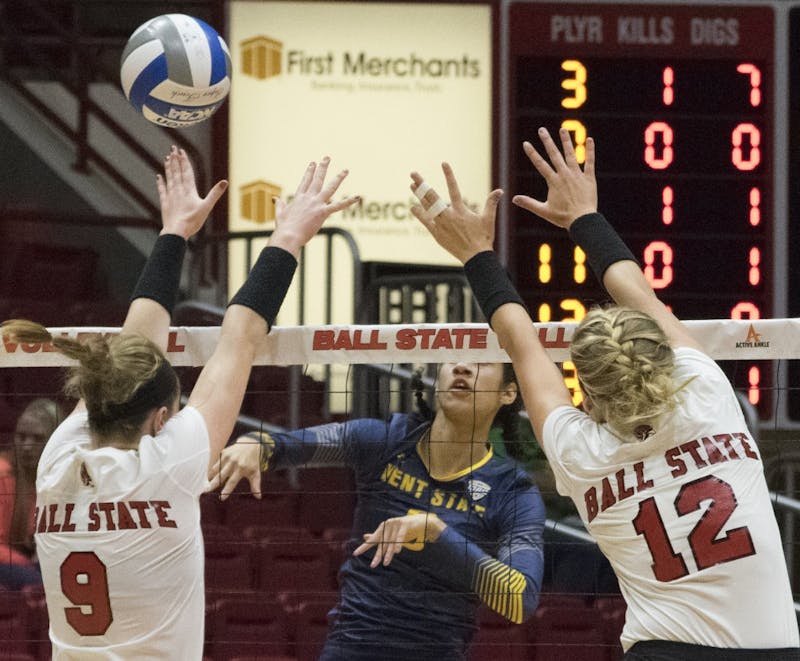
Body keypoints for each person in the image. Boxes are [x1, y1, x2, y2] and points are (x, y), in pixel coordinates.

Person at [410, 127, 800, 660]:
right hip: (774, 650)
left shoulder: (582, 454)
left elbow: (520, 340)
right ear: (660, 356)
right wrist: (583, 217)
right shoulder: (706, 393)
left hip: (663, 650)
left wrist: (476, 252)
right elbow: (637, 290)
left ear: (587, 392)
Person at [0, 148, 357, 658]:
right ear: (161, 418)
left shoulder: (60, 456)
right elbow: (240, 338)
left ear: (95, 398)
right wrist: (285, 237)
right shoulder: (169, 462)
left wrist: (182, 233)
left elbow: (153, 341)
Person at [210, 363, 545, 660]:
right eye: (454, 357)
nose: (463, 367)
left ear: (508, 392)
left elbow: (520, 599)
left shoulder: (512, 490)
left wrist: (437, 535)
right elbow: (286, 446)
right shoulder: (384, 441)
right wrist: (256, 445)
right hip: (352, 645)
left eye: (481, 362)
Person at [0, 398, 62, 589]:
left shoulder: (62, 479)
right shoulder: (3, 474)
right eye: (22, 436)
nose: (27, 446)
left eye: (37, 438)